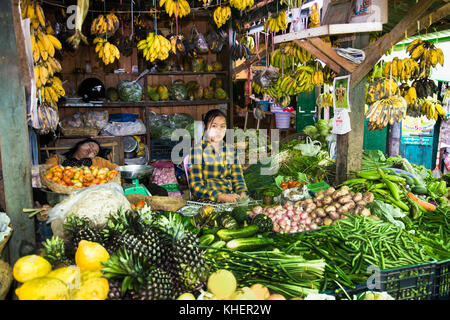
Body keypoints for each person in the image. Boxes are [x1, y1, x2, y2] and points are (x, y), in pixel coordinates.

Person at [188, 109, 247, 203]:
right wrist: (220, 196)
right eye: (214, 126)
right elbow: (196, 186)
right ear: (205, 127)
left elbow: (238, 177)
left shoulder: (230, 150)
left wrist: (241, 192)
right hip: (207, 200)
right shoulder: (197, 151)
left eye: (222, 126)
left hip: (230, 197)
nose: (218, 131)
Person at [45, 138, 118, 169]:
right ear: (80, 144)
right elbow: (48, 170)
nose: (91, 150)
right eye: (90, 145)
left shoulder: (98, 161)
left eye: (94, 152)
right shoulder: (57, 159)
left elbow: (116, 169)